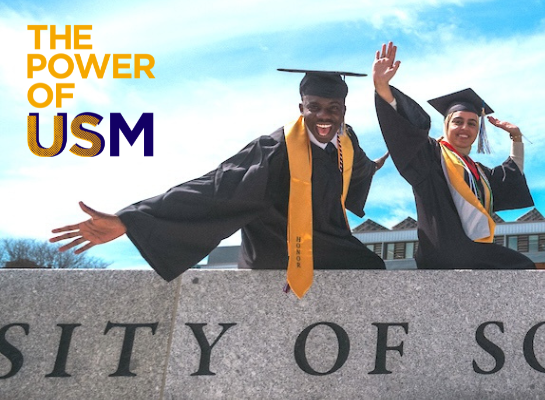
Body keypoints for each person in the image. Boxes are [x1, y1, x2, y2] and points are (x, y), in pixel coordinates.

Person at [50, 69, 388, 298]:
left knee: (373, 268)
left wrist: (370, 168)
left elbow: (356, 169)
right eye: (314, 107)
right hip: (277, 246)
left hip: (327, 242)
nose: (324, 116)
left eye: (333, 108)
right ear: (301, 108)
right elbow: (214, 189)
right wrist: (131, 219)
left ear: (344, 109)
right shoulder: (272, 150)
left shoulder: (347, 142)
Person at [370, 42, 535, 270]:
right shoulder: (430, 154)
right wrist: (383, 89)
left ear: (478, 131)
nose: (464, 128)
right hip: (442, 251)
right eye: (457, 121)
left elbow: (511, 174)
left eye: (472, 124)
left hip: (473, 250)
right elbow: (406, 131)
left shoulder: (478, 172)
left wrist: (516, 137)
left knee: (523, 265)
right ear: (446, 124)